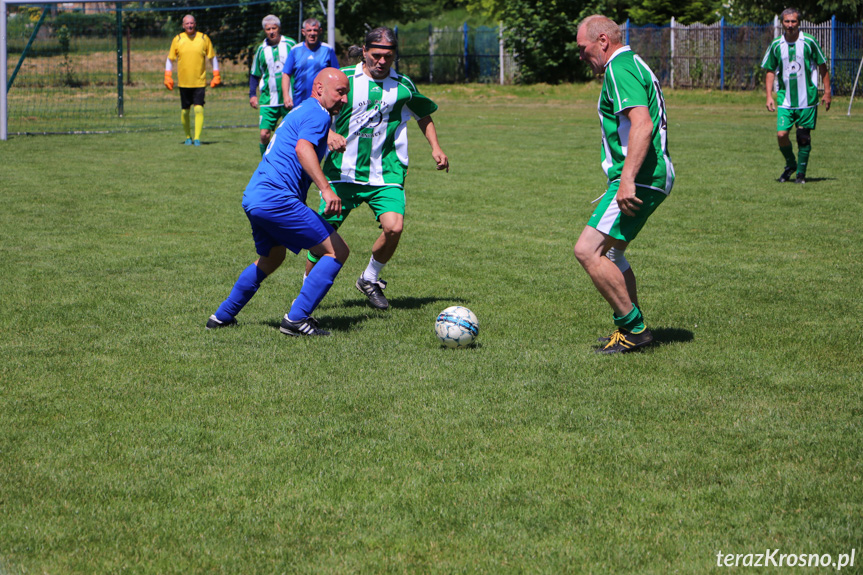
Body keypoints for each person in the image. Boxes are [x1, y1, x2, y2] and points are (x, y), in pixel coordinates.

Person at [305, 27, 449, 311]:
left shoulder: (403, 85)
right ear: (365, 51)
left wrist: (436, 147)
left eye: (389, 56)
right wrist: (329, 135)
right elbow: (314, 108)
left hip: (386, 172)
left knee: (394, 227)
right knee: (322, 235)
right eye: (376, 55)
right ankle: (307, 287)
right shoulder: (343, 78)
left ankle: (369, 278)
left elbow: (423, 113)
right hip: (341, 173)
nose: (382, 61)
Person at [206, 68, 350, 336]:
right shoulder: (318, 114)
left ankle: (222, 316)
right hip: (276, 198)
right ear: (319, 89)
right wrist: (326, 190)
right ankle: (296, 319)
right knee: (337, 251)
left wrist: (329, 138)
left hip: (254, 197)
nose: (344, 100)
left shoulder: (302, 110)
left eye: (346, 94)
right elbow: (302, 148)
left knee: (272, 257)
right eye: (340, 92)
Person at [573, 15, 674, 354]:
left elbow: (642, 125)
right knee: (613, 254)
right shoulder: (631, 64)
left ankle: (635, 330)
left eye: (583, 49)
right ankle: (630, 328)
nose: (582, 56)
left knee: (588, 250)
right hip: (648, 175)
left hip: (641, 177)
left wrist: (627, 180)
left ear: (603, 41)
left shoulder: (619, 67)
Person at [761, 8, 831, 184]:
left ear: (799, 22)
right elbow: (770, 71)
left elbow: (822, 66)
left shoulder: (809, 42)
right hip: (785, 99)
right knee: (781, 135)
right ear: (782, 23)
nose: (790, 25)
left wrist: (827, 92)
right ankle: (791, 164)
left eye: (793, 21)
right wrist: (769, 96)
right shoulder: (776, 45)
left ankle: (800, 174)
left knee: (803, 137)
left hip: (807, 99)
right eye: (787, 21)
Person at [164, 14, 221, 146]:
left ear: (195, 24)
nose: (189, 26)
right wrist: (167, 76)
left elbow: (212, 57)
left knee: (199, 109)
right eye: (187, 24)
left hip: (199, 81)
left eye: (192, 23)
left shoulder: (203, 38)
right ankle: (188, 137)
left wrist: (216, 74)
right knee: (185, 111)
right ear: (183, 25)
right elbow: (170, 59)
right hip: (184, 82)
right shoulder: (177, 39)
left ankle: (197, 138)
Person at [249, 15, 297, 156]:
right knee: (264, 134)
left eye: (274, 28)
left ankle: (290, 160)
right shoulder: (261, 50)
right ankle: (265, 160)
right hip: (268, 99)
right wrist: (252, 94)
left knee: (290, 134)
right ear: (264, 30)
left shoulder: (291, 45)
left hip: (289, 98)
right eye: (268, 29)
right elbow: (254, 74)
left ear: (279, 28)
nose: (271, 32)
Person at [282, 19, 339, 110]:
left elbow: (337, 75)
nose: (312, 33)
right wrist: (286, 96)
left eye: (315, 30)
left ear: (320, 31)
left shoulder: (327, 50)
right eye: (309, 30)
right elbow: (286, 74)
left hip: (322, 101)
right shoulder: (295, 50)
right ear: (303, 32)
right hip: (299, 100)